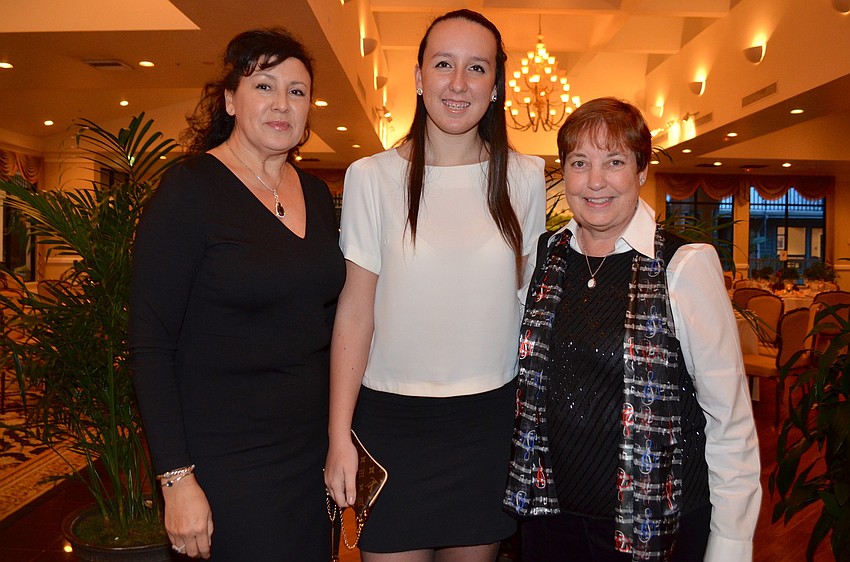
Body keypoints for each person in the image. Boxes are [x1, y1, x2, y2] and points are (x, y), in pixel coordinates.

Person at [323, 9, 546, 562]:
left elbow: (526, 305)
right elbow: (355, 311)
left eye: (477, 68)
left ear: (495, 86)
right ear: (419, 77)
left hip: (488, 423)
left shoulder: (524, 177)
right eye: (443, 64)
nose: (458, 83)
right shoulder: (371, 177)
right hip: (391, 423)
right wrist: (338, 436)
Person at [505, 97, 761, 561]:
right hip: (549, 520)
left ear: (642, 171)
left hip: (657, 525)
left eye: (614, 162)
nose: (595, 181)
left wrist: (731, 543)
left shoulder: (683, 265)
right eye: (579, 163)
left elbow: (730, 419)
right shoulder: (544, 257)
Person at [129, 28, 345, 560]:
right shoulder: (189, 190)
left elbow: (327, 318)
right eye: (264, 86)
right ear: (230, 100)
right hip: (225, 459)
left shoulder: (317, 195)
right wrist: (176, 479)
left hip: (308, 452)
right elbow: (151, 344)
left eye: (297, 91)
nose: (282, 103)